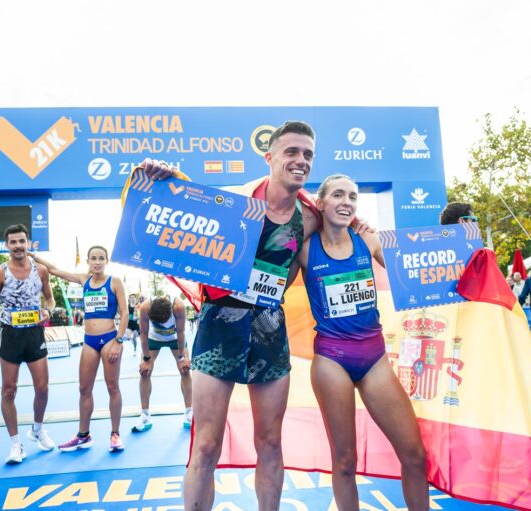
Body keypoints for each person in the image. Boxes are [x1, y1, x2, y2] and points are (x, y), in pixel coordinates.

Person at [138, 120, 324, 510]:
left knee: (271, 441)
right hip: (219, 324)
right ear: (269, 156)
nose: (301, 160)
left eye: (307, 154)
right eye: (291, 152)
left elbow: (333, 244)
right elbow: (181, 204)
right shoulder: (237, 200)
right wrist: (163, 176)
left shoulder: (311, 218)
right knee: (206, 443)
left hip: (270, 329)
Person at [292, 175, 429, 510]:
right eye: (337, 195)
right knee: (344, 461)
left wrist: (467, 258)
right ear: (320, 203)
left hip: (374, 358)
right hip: (332, 360)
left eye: (352, 196)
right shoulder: (305, 249)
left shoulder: (367, 239)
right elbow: (269, 289)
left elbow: (415, 272)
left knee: (414, 455)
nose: (346, 201)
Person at [31, 247, 128, 452]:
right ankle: (83, 435)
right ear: (88, 261)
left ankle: (115, 434)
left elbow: (125, 313)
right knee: (84, 389)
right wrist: (33, 257)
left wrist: (119, 341)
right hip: (89, 341)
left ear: (106, 261)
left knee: (113, 387)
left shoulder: (115, 282)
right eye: (93, 258)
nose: (97, 262)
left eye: (101, 258)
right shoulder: (84, 280)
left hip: (110, 338)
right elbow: (55, 270)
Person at [0, 224, 56, 464]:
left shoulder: (41, 270)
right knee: (9, 390)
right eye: (13, 242)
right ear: (7, 245)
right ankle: (15, 444)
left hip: (34, 333)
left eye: (21, 241)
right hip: (10, 334)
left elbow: (50, 299)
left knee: (42, 388)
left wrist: (48, 311)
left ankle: (37, 429)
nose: (18, 246)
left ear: (28, 243)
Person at [132, 296, 192, 432]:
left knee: (185, 370)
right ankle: (145, 415)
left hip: (175, 337)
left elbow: (181, 332)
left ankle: (189, 412)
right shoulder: (145, 308)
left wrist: (182, 357)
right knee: (145, 372)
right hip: (154, 338)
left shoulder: (178, 307)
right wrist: (146, 359)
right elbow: (143, 333)